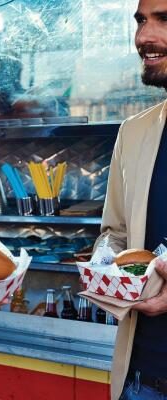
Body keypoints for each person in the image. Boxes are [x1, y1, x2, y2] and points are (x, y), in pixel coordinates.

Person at [97, 1, 167, 399]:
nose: (144, 37)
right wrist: (104, 267)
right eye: (141, 20)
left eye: (164, 20)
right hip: (141, 382)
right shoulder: (135, 132)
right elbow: (114, 233)